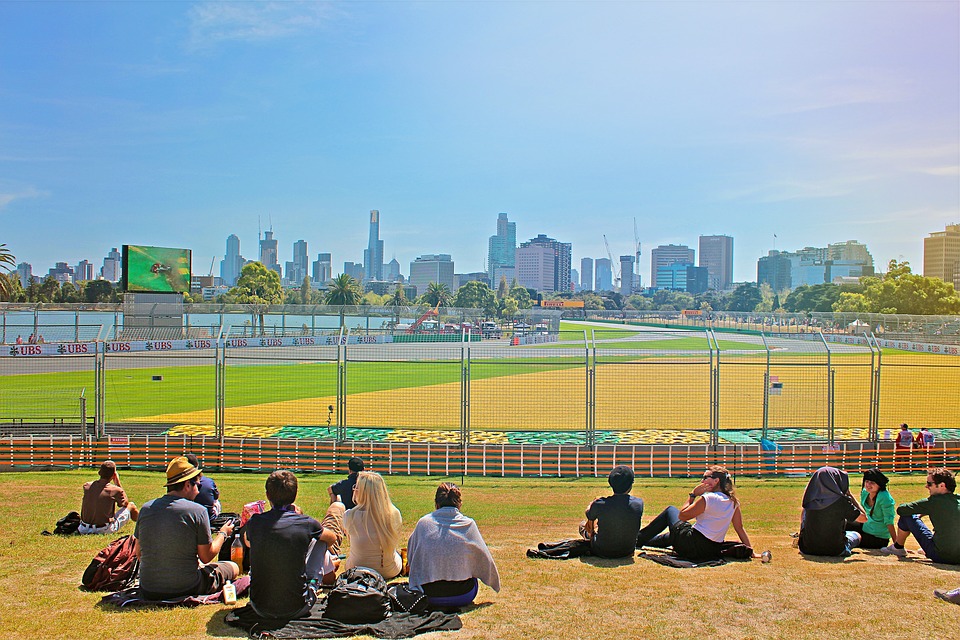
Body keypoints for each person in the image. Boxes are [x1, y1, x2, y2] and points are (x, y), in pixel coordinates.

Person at [133, 456, 239, 600]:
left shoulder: (146, 509)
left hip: (149, 587)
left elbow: (139, 553)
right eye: (197, 486)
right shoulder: (197, 511)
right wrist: (223, 533)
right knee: (233, 567)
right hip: (186, 586)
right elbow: (206, 556)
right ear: (187, 485)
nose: (198, 491)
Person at [243, 470, 344, 619]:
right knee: (320, 541)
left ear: (268, 495)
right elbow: (331, 538)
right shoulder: (306, 524)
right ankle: (316, 577)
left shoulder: (255, 522)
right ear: (294, 496)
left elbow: (248, 542)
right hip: (297, 606)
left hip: (259, 605)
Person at [407, 482, 500, 608]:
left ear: (436, 503)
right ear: (459, 504)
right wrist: (493, 581)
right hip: (462, 594)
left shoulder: (423, 524)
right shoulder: (468, 525)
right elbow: (484, 559)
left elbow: (411, 555)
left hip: (428, 594)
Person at [635, 465, 755, 561]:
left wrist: (692, 495)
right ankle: (641, 540)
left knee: (670, 510)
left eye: (705, 477)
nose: (702, 481)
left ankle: (637, 539)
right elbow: (739, 528)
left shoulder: (709, 498)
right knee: (673, 535)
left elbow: (682, 516)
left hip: (692, 546)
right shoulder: (733, 502)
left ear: (716, 481)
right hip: (710, 550)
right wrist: (751, 551)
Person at [881, 467, 960, 564]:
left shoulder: (934, 502)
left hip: (941, 556)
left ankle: (898, 547)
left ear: (942, 485)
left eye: (929, 484)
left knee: (907, 516)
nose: (926, 486)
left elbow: (902, 509)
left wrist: (923, 510)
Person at [343, 471, 403, 579]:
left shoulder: (349, 515)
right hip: (389, 570)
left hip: (357, 570)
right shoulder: (394, 513)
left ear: (361, 491)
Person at [798, 466, 866, 557]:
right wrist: (850, 496)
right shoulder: (840, 501)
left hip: (806, 548)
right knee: (856, 535)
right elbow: (864, 518)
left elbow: (803, 520)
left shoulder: (811, 499)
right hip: (835, 550)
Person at [580, 465, 644, 558]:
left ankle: (587, 535)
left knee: (582, 525)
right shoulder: (638, 503)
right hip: (627, 551)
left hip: (601, 550)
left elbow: (589, 515)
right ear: (631, 484)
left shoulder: (600, 504)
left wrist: (591, 504)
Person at [79, 460, 138, 535]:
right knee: (131, 505)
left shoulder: (87, 486)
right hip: (103, 529)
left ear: (99, 472)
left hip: (83, 528)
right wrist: (117, 483)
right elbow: (125, 503)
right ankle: (142, 523)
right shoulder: (115, 490)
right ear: (114, 475)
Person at [845, 468, 897, 549]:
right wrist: (849, 495)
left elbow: (889, 522)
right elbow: (861, 511)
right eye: (867, 481)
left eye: (872, 483)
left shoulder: (885, 498)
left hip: (878, 538)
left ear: (879, 484)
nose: (868, 485)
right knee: (842, 523)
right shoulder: (865, 492)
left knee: (847, 538)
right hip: (865, 527)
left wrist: (897, 545)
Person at [185, 453, 221, 519]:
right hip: (207, 518)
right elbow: (216, 497)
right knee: (216, 502)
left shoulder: (179, 483)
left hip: (187, 517)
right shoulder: (208, 481)